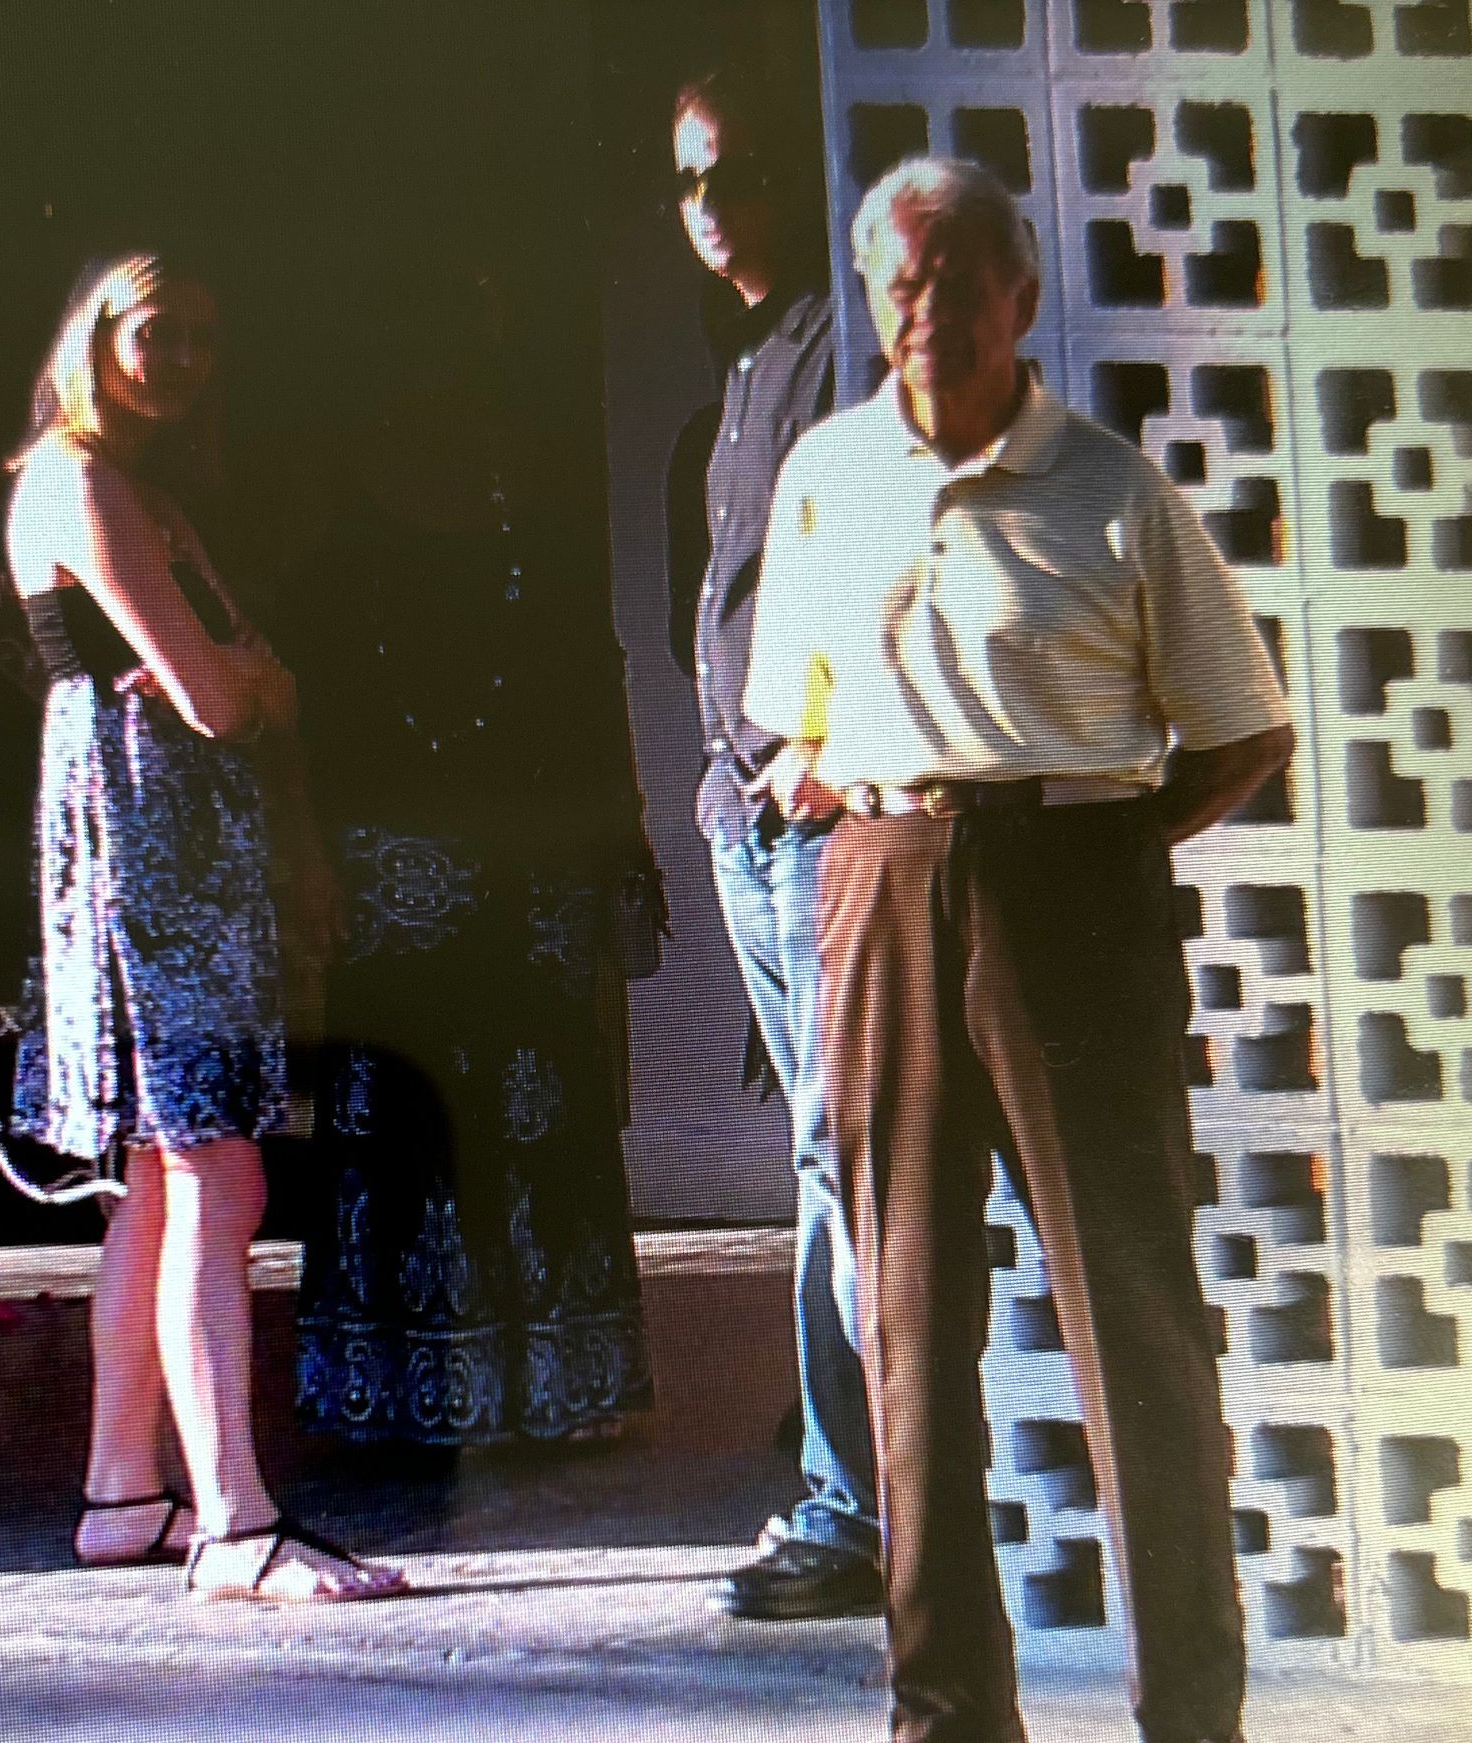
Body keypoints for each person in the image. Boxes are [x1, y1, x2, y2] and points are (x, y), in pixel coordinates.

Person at [743, 159, 1293, 1743]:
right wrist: (858, 782)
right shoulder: (827, 475)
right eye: (899, 280)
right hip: (884, 887)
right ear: (873, 301)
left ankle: (1192, 1709)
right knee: (909, 1322)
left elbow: (1242, 727)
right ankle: (948, 1712)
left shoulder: (1111, 487)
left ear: (1021, 297)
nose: (926, 309)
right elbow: (802, 713)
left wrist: (1105, 840)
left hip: (1072, 892)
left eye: (957, 276)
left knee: (1134, 1313)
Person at [5, 252, 402, 1604]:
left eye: (204, 340)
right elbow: (224, 696)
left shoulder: (127, 484)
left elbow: (224, 679)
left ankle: (124, 1491)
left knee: (166, 1178)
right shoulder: (85, 480)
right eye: (159, 331)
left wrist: (248, 681)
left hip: (164, 855)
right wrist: (259, 684)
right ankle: (236, 1524)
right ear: (98, 334)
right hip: (153, 860)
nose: (184, 360)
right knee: (216, 1174)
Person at [277, 268, 659, 1448]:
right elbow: (294, 699)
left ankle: (552, 1386)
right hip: (388, 866)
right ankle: (394, 1394)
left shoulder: (534, 484)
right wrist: (304, 852)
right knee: (399, 1122)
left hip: (533, 861)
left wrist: (618, 840)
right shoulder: (327, 498)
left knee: (538, 1110)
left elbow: (592, 674)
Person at [664, 66, 881, 1620]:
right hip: (748, 810)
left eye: (736, 172)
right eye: (688, 181)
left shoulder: (844, 341)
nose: (713, 207)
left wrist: (821, 753)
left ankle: (858, 1502)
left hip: (818, 810)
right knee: (823, 1149)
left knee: (845, 1149)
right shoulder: (745, 360)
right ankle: (856, 1483)